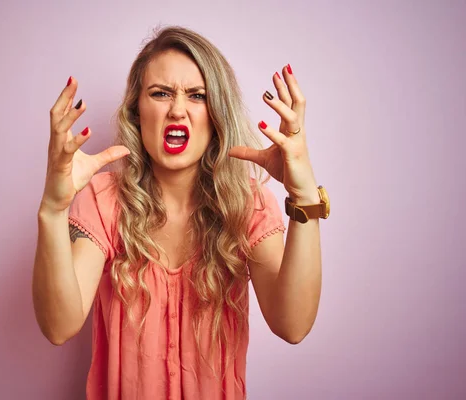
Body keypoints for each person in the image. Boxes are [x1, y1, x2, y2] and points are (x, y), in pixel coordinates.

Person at [32, 25, 329, 400]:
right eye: (160, 93)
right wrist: (53, 209)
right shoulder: (104, 200)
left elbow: (294, 325)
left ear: (216, 112)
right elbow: (58, 326)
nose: (177, 109)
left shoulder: (248, 204)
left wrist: (303, 196)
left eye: (197, 96)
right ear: (137, 111)